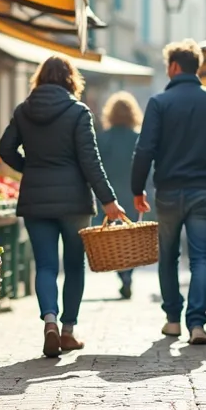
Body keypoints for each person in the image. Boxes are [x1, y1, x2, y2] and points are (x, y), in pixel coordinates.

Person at [0, 56, 126, 358]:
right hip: (74, 203)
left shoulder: (24, 111)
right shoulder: (78, 112)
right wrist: (108, 200)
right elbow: (90, 161)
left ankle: (50, 320)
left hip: (35, 199)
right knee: (73, 266)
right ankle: (68, 331)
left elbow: (5, 149)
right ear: (71, 80)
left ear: (40, 79)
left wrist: (29, 167)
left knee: (44, 265)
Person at [132, 40, 206, 346]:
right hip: (204, 190)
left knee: (168, 256)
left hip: (167, 192)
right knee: (201, 256)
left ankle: (173, 320)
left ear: (175, 67)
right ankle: (198, 325)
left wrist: (137, 188)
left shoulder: (159, 103)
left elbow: (144, 150)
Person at [92, 91, 149, 300]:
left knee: (112, 238)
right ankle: (127, 274)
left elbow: (95, 167)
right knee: (131, 238)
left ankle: (122, 273)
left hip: (108, 195)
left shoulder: (102, 139)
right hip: (134, 194)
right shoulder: (138, 138)